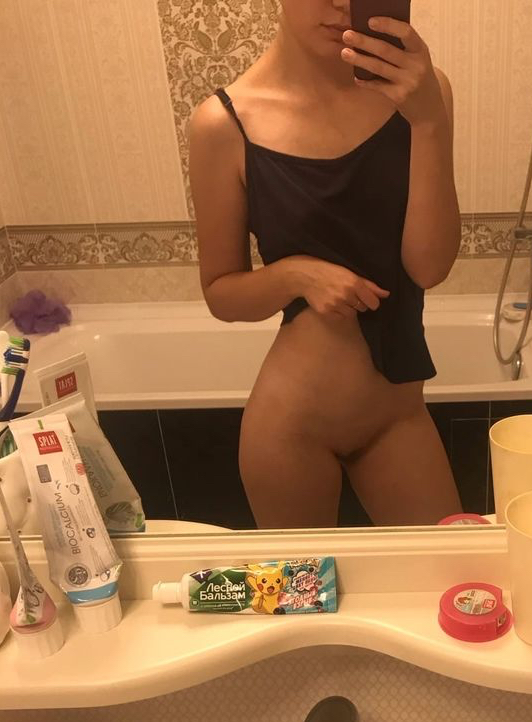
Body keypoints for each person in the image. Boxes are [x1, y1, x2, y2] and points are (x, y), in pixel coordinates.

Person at [189, 0, 463, 528]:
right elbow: (221, 292)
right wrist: (295, 275)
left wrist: (429, 120)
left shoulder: (422, 96)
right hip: (293, 428)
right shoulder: (224, 124)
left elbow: (429, 268)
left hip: (398, 415)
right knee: (310, 588)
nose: (341, 2)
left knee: (449, 570)